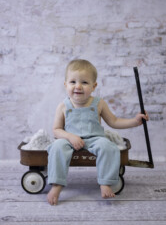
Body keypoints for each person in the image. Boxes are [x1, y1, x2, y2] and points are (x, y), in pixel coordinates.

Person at [47, 59, 149, 205]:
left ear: (94, 86)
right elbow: (56, 130)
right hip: (69, 140)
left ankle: (105, 182)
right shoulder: (63, 106)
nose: (78, 86)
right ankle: (57, 185)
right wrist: (70, 136)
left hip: (94, 138)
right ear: (65, 84)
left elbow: (114, 121)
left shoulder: (99, 103)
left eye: (84, 82)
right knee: (57, 147)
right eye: (73, 82)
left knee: (109, 147)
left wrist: (135, 121)